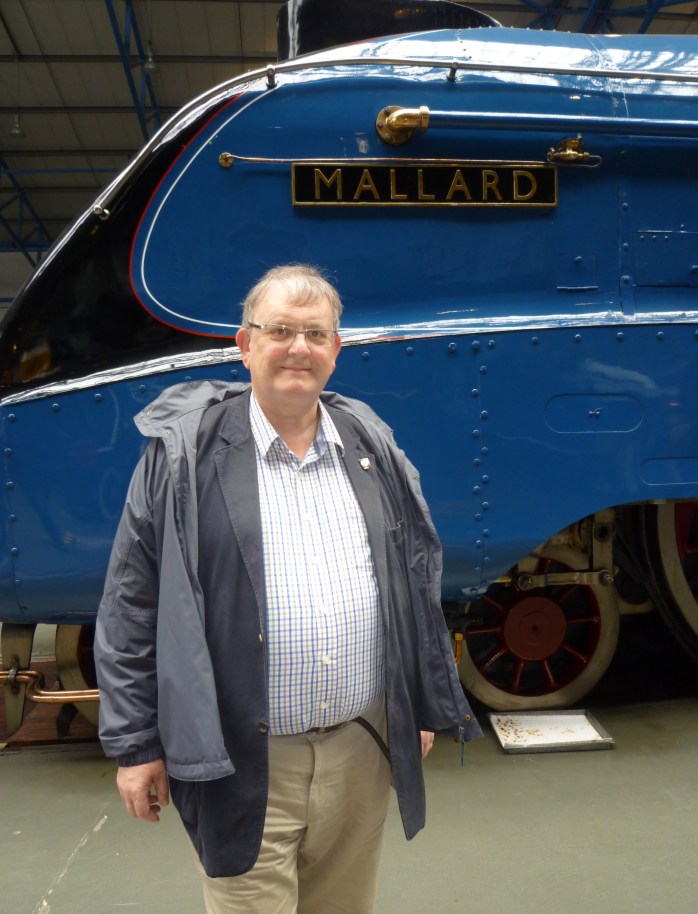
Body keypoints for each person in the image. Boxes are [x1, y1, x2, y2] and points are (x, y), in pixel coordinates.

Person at [94, 264, 481, 914]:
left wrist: (414, 699)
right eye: (280, 331)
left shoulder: (370, 442)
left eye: (314, 333)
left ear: (336, 349)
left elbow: (410, 578)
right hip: (244, 758)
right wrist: (136, 746)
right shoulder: (183, 456)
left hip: (364, 746)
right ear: (245, 346)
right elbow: (131, 606)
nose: (298, 347)